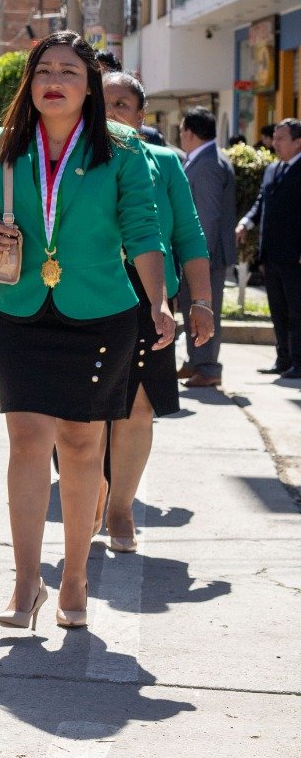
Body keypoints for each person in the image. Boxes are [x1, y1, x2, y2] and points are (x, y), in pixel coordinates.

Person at [0, 32, 173, 631]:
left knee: (81, 446)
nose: (56, 80)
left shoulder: (123, 150)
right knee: (27, 439)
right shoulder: (3, 145)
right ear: (31, 82)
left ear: (89, 86)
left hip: (100, 312)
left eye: (70, 71)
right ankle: (27, 582)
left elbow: (143, 230)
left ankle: (74, 574)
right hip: (20, 309)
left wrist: (159, 302)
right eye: (45, 69)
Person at [99, 72, 214, 552]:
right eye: (100, 104)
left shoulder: (164, 163)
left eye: (121, 105)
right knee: (80, 414)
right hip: (83, 294)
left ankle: (120, 508)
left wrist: (202, 301)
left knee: (138, 407)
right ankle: (93, 491)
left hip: (150, 299)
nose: (110, 115)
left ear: (140, 116)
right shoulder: (66, 161)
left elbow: (188, 235)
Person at [177, 106, 237, 388]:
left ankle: (208, 367)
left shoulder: (208, 164)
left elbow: (206, 216)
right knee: (193, 308)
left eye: (181, 131)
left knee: (204, 309)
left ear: (189, 133)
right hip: (204, 254)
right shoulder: (205, 159)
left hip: (206, 256)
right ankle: (196, 361)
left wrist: (198, 258)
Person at [239, 118, 301, 379]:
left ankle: (298, 362)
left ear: (298, 142)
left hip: (295, 255)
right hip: (271, 252)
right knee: (278, 308)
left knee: (297, 310)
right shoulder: (272, 169)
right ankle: (282, 358)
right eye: (274, 138)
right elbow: (261, 201)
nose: (274, 143)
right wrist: (246, 221)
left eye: (281, 139)